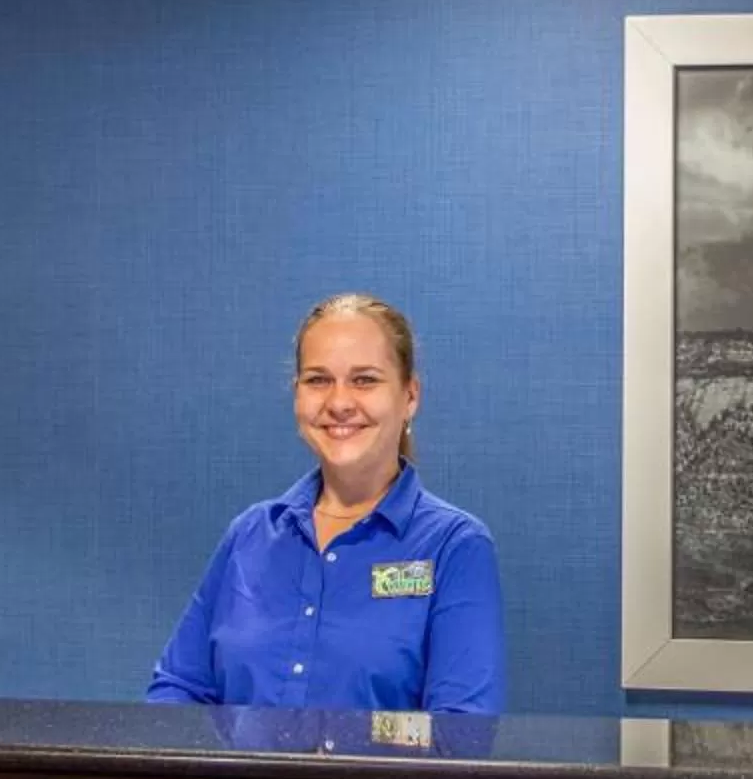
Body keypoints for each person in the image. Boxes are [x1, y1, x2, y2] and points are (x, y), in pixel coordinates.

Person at [146, 294, 505, 712]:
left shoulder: (455, 547)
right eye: (318, 380)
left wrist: (337, 746)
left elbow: (462, 731)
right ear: (297, 394)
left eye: (365, 380)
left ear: (410, 396)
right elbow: (176, 691)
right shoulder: (249, 535)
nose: (339, 403)